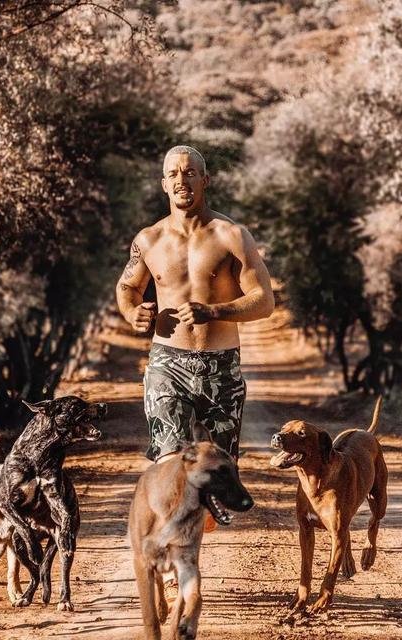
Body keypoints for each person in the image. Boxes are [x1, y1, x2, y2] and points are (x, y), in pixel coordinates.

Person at [116, 145, 274, 528]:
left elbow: (264, 301)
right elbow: (127, 287)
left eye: (189, 173)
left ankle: (192, 536)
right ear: (163, 184)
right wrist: (132, 312)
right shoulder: (148, 240)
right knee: (171, 463)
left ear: (205, 180)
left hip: (222, 367)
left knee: (214, 478)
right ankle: (172, 549)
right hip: (167, 365)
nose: (181, 180)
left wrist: (215, 311)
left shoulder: (232, 235)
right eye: (173, 173)